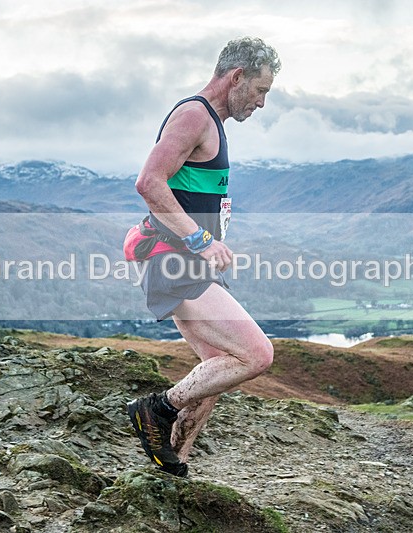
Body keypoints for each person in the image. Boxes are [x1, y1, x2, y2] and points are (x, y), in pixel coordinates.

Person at [127, 37, 281, 477]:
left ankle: (172, 469)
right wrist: (200, 240)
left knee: (216, 370)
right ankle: (156, 409)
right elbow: (149, 183)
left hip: (188, 263)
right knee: (256, 355)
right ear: (237, 78)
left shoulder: (211, 120)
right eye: (260, 90)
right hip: (174, 261)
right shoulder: (194, 115)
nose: (262, 102)